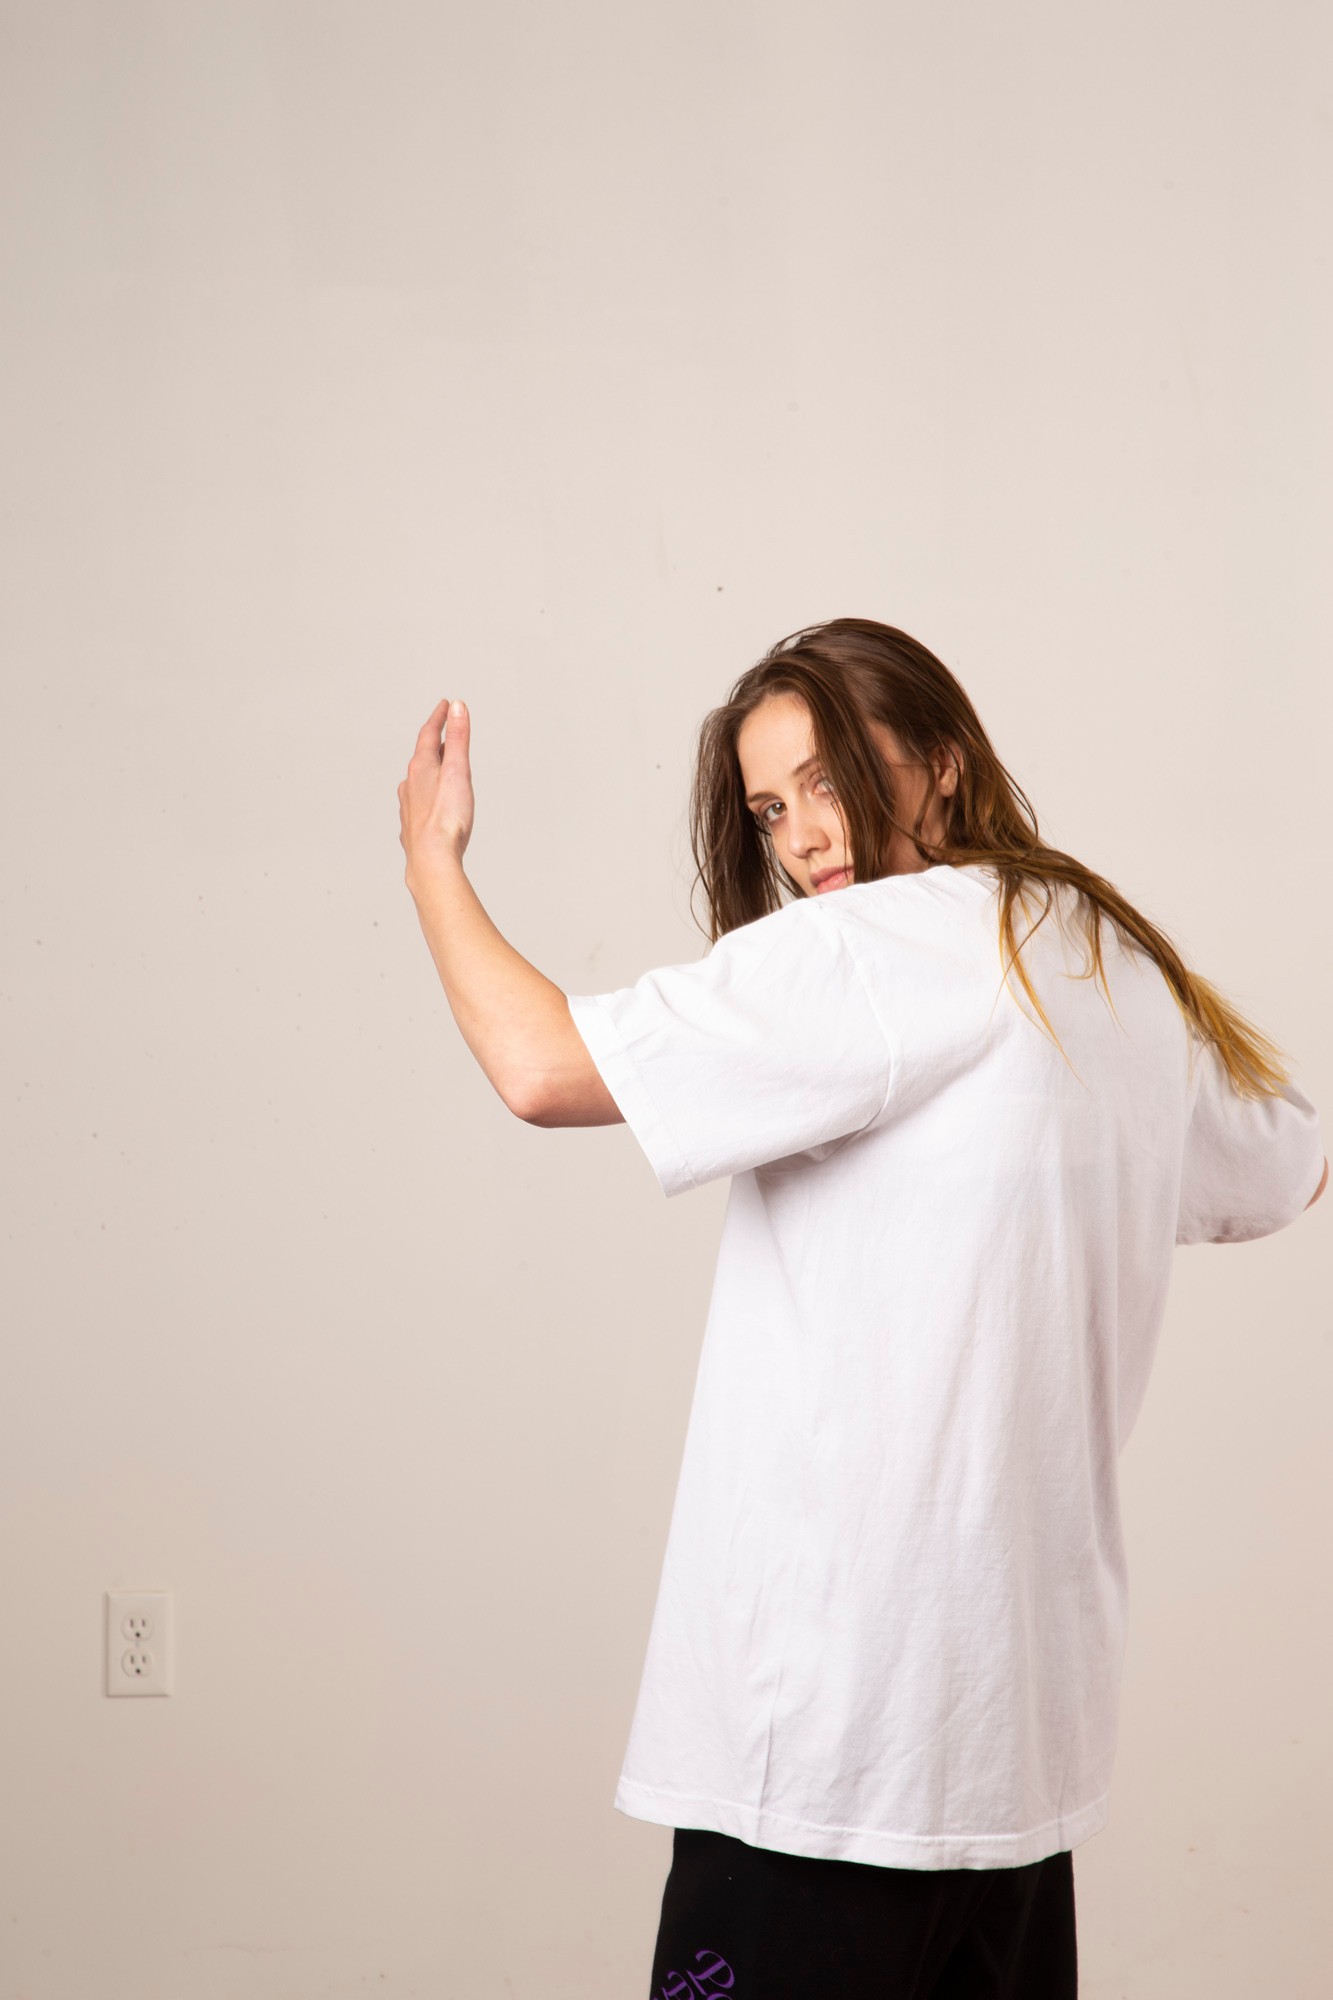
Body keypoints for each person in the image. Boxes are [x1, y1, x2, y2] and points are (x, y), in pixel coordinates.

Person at [398, 617, 1327, 1999]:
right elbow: (1291, 1162)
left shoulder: (870, 953)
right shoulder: (1107, 962)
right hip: (1016, 1771)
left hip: (827, 1762)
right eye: (771, 808)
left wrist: (431, 860)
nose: (803, 838)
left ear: (942, 762)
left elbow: (537, 1066)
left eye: (828, 778)